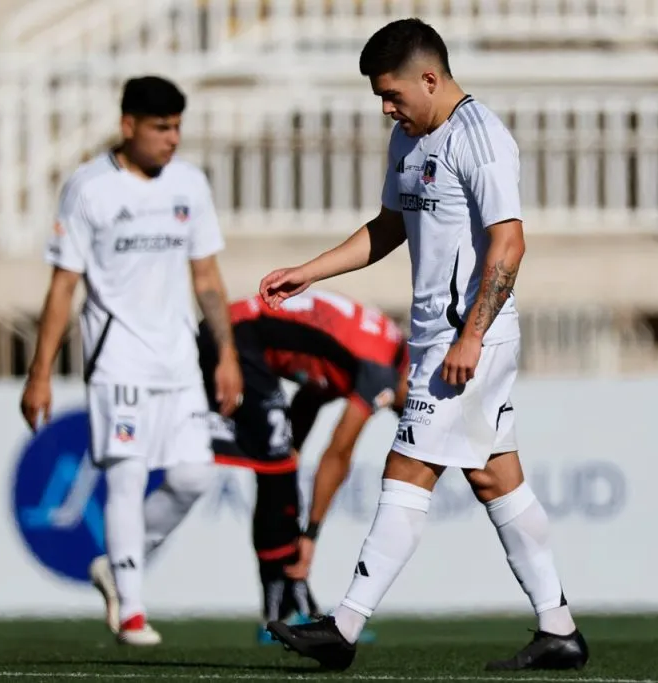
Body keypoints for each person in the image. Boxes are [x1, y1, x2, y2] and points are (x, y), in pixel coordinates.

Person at [258, 18, 589, 672]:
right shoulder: (407, 141)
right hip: (439, 341)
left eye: (392, 94)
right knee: (498, 478)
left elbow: (510, 241)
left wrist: (470, 337)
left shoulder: (481, 138)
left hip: (469, 344)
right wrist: (309, 271)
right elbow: (387, 228)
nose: (385, 107)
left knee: (406, 469)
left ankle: (344, 626)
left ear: (430, 78)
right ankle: (559, 627)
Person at [19, 75, 243, 647]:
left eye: (177, 128)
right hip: (117, 362)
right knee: (127, 477)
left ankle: (119, 565)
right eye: (161, 128)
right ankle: (133, 608)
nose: (172, 139)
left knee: (194, 477)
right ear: (128, 127)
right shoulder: (89, 189)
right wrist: (39, 373)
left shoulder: (189, 185)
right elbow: (63, 286)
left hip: (179, 365)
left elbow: (208, 277)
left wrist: (226, 357)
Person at [195, 289, 409, 644]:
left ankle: (292, 602)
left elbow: (312, 392)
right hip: (234, 340)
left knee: (280, 467)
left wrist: (292, 450)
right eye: (405, 407)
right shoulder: (380, 371)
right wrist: (311, 534)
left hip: (237, 336)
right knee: (276, 472)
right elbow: (338, 453)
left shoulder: (381, 349)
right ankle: (279, 614)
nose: (400, 411)